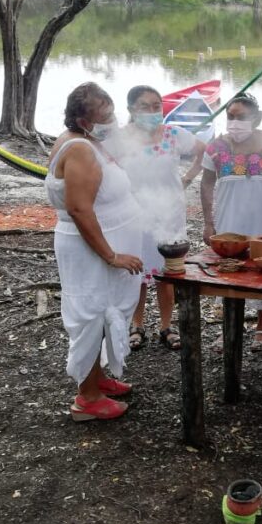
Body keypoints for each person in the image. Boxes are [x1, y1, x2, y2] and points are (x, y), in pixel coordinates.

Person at [46, 83, 144, 422]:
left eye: (111, 112)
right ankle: (86, 399)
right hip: (91, 253)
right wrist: (112, 256)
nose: (111, 120)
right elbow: (79, 210)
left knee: (106, 312)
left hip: (105, 247)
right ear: (82, 120)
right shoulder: (79, 150)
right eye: (104, 116)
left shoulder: (90, 142)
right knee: (90, 316)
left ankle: (99, 379)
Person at [106, 85, 206, 351]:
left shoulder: (173, 134)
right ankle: (136, 325)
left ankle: (166, 326)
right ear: (130, 110)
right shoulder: (119, 139)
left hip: (169, 213)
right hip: (133, 215)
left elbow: (203, 150)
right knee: (136, 273)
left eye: (156, 106)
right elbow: (102, 165)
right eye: (144, 106)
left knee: (168, 271)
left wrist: (188, 178)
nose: (152, 112)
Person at [200, 92, 262, 349]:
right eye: (231, 116)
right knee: (228, 270)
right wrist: (208, 223)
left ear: (256, 118)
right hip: (229, 222)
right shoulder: (216, 148)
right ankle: (228, 327)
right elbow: (206, 183)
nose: (235, 122)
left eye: (242, 117)